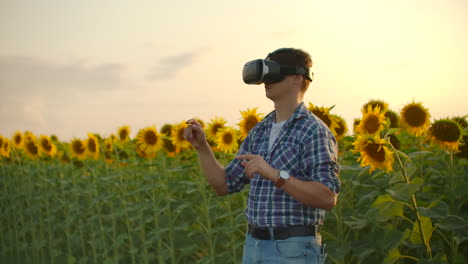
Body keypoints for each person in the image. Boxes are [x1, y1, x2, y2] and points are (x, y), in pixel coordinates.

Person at [184, 48, 341, 264]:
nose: (267, 81)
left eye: (274, 74)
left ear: (298, 78)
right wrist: (202, 147)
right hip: (254, 246)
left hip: (292, 250)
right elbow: (224, 184)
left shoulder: (314, 131)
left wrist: (276, 175)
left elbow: (327, 197)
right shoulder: (259, 131)